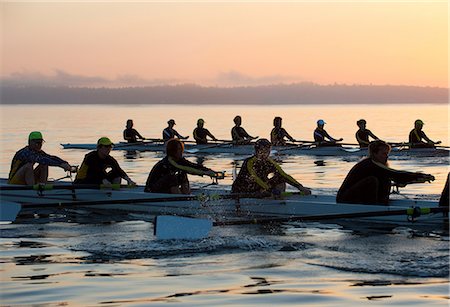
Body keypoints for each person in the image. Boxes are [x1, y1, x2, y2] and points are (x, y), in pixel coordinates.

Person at [336, 140, 434, 205]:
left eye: (387, 154)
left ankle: (381, 203)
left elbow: (395, 176)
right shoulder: (370, 164)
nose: (386, 156)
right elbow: (396, 174)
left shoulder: (378, 165)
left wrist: (417, 179)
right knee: (372, 180)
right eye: (383, 153)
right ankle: (374, 207)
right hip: (344, 199)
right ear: (374, 153)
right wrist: (420, 176)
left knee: (386, 179)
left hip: (355, 196)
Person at [231, 139, 311, 196]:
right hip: (242, 190)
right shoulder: (249, 162)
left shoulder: (270, 162)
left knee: (280, 178)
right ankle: (273, 196)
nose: (264, 154)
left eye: (267, 152)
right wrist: (270, 190)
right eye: (262, 151)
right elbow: (255, 178)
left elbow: (284, 175)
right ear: (256, 151)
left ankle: (279, 200)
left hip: (260, 188)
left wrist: (300, 187)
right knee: (262, 187)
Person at [145, 138, 221, 194]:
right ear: (173, 151)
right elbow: (189, 170)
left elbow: (193, 166)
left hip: (164, 187)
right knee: (172, 177)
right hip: (152, 190)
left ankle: (186, 195)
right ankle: (180, 199)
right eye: (179, 149)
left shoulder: (180, 160)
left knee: (182, 174)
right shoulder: (168, 162)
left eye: (181, 148)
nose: (181, 151)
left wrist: (211, 171)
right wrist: (206, 173)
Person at [8, 131, 73, 185]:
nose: (39, 145)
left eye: (41, 142)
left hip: (26, 179)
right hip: (14, 181)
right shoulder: (25, 153)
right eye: (37, 143)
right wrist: (60, 165)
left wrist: (65, 163)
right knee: (29, 166)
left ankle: (42, 185)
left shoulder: (38, 152)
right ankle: (32, 190)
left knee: (44, 165)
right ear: (30, 142)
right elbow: (42, 160)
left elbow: (50, 157)